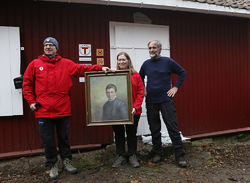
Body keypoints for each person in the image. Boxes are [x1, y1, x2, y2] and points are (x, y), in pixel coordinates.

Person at [22, 37, 110, 179]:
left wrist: (100, 68)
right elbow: (26, 83)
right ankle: (52, 164)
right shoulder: (35, 64)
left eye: (51, 45)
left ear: (57, 48)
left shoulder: (66, 63)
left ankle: (67, 161)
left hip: (62, 109)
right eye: (46, 45)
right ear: (43, 48)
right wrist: (31, 101)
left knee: (64, 138)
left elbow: (82, 69)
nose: (48, 47)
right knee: (48, 140)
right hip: (43, 110)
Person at [139, 40, 187, 168]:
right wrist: (143, 88)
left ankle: (180, 155)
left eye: (154, 47)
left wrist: (176, 87)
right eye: (150, 48)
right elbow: (139, 78)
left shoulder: (168, 62)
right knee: (154, 129)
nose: (152, 50)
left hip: (166, 100)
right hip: (151, 102)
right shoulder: (146, 64)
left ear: (159, 49)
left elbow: (183, 72)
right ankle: (157, 153)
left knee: (172, 127)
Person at [111, 52, 144, 168]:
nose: (121, 62)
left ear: (128, 61)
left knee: (131, 133)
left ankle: (132, 155)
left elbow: (141, 92)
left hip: (133, 111)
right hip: (117, 112)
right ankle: (120, 155)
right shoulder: (113, 74)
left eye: (124, 59)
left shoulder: (136, 75)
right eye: (119, 60)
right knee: (119, 133)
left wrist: (136, 106)